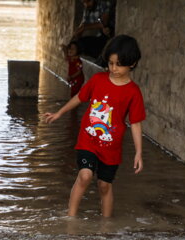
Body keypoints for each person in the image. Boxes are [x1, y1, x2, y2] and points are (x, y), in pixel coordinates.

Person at [44, 35, 145, 218]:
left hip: (111, 148)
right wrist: (59, 113)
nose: (113, 68)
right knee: (85, 176)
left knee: (104, 186)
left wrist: (138, 152)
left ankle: (105, 227)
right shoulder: (98, 80)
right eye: (110, 63)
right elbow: (80, 97)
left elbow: (136, 123)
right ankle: (71, 220)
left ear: (133, 63)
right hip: (88, 140)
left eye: (118, 64)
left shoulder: (133, 92)